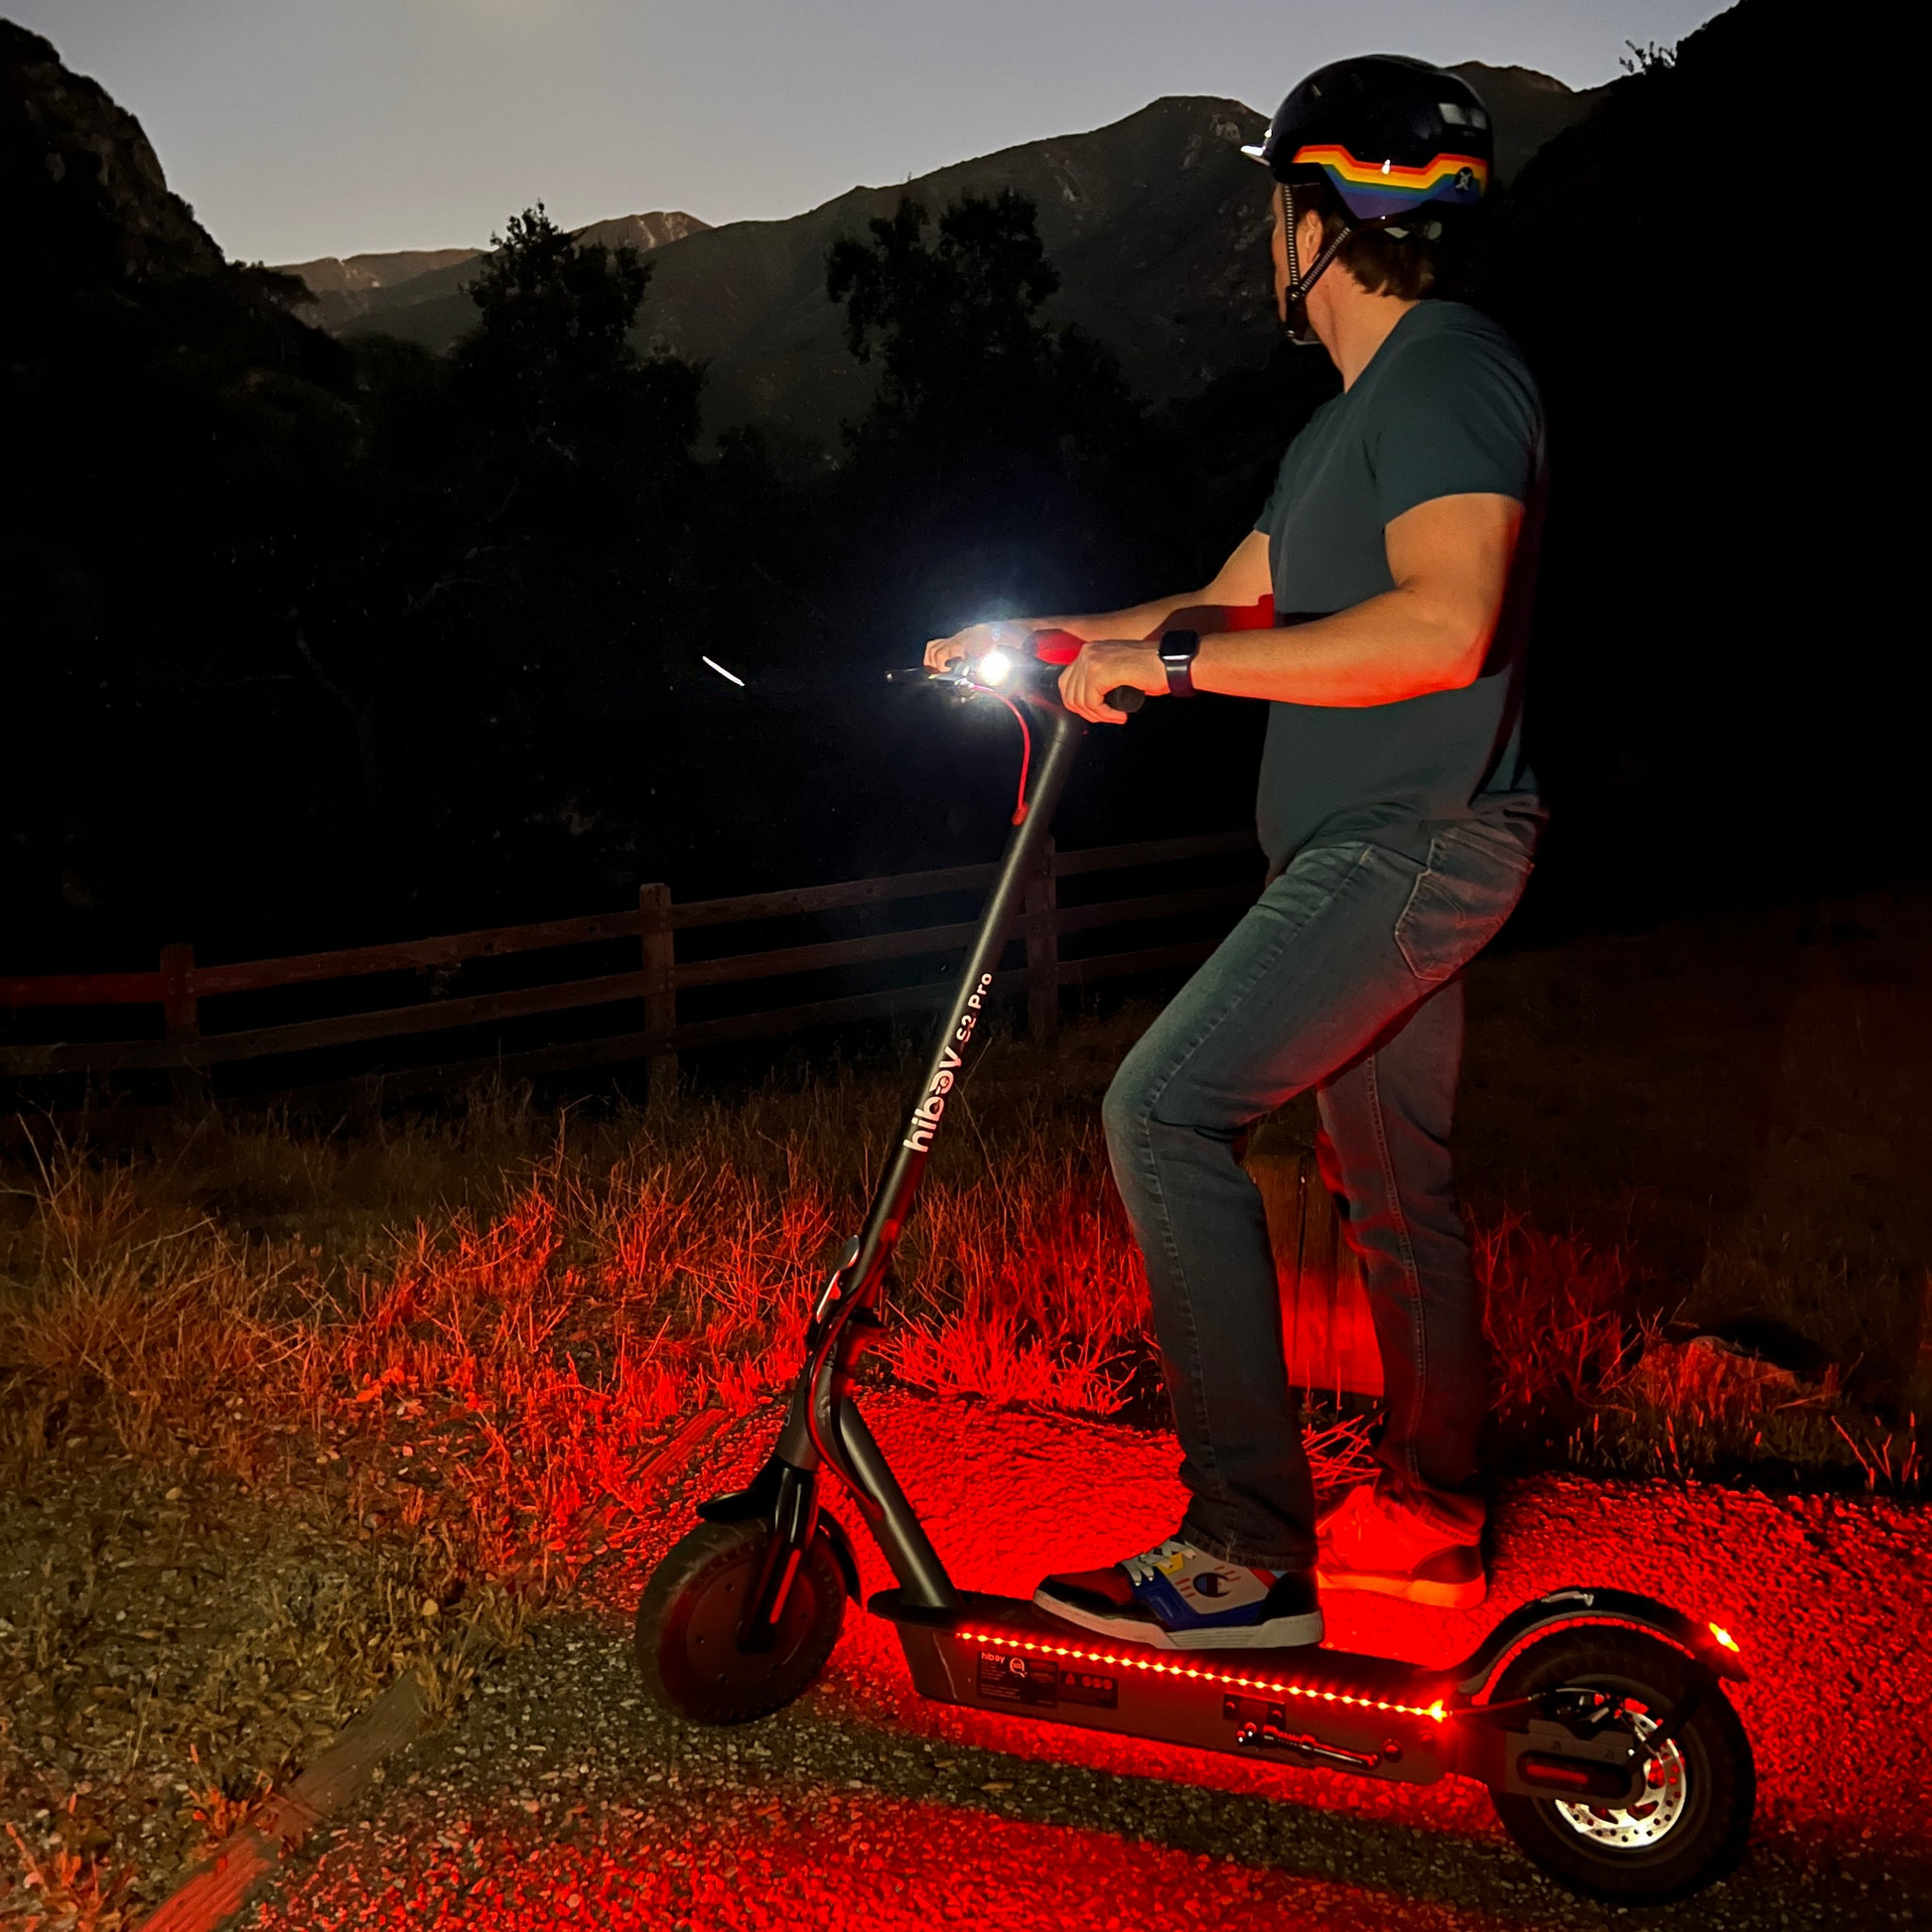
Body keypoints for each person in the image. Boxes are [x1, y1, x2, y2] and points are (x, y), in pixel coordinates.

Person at [926, 55, 1546, 1650]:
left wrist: (1180, 672)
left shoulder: (1448, 373)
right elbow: (1226, 605)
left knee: (1161, 1106)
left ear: (1318, 219)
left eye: (1278, 204)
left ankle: (1239, 1550)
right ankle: (1426, 1511)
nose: (1269, 236)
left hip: (1410, 842)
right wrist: (1045, 630)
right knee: (1394, 1190)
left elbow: (1442, 623)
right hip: (1382, 843)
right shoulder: (1344, 425)